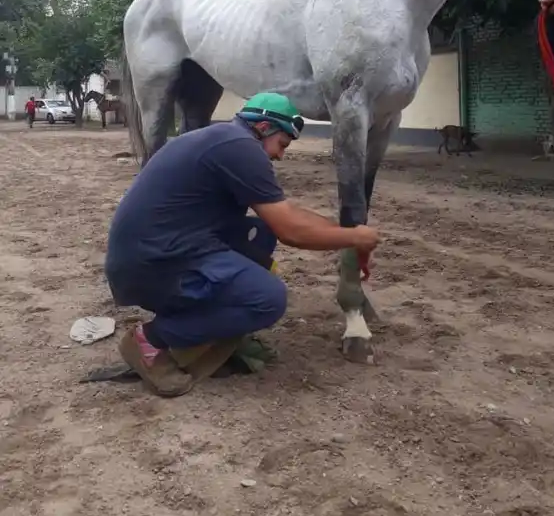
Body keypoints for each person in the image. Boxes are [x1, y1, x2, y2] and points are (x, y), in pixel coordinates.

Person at [105, 91, 380, 397]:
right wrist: (356, 238)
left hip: (153, 255)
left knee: (260, 234)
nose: (280, 156)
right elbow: (292, 230)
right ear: (263, 128)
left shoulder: (224, 139)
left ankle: (209, 332)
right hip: (154, 265)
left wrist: (348, 231)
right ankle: (150, 340)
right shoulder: (240, 148)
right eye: (282, 144)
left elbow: (287, 213)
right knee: (267, 299)